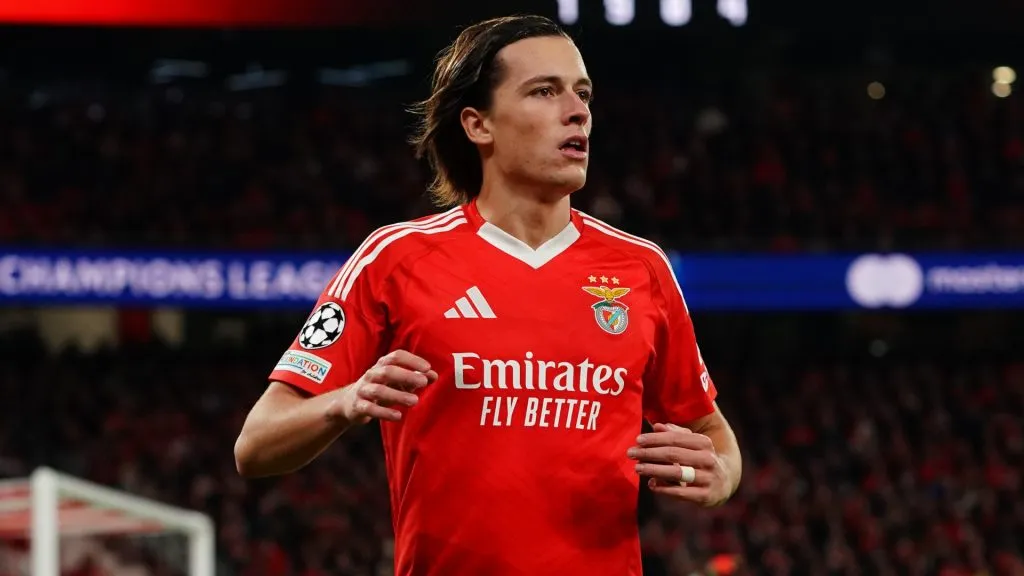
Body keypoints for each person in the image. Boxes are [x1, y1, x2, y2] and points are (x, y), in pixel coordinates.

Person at [234, 14, 742, 576]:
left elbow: (711, 431)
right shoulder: (395, 259)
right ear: (478, 125)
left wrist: (718, 476)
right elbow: (255, 446)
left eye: (583, 93)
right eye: (544, 92)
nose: (578, 111)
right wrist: (346, 401)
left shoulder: (641, 268)